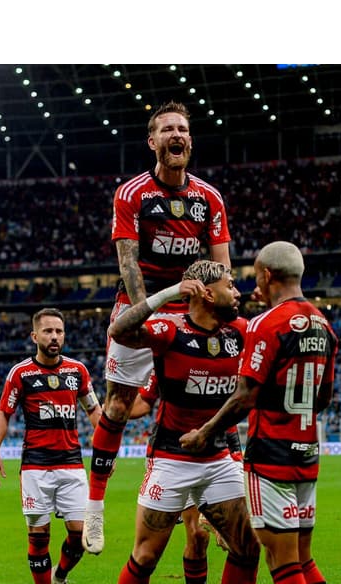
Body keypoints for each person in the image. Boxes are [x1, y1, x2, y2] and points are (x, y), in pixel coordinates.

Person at [181, 240, 341, 584]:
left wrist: (205, 433)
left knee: (281, 562)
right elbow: (325, 398)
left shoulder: (266, 325)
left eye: (252, 275)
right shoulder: (323, 325)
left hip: (271, 457)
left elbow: (244, 396)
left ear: (265, 275)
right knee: (304, 557)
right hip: (307, 456)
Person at [95, 260, 280, 584]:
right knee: (145, 556)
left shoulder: (240, 333)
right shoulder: (171, 330)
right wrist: (165, 295)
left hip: (218, 460)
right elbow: (119, 331)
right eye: (230, 286)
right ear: (205, 293)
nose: (238, 292)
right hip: (171, 460)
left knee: (248, 546)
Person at [82, 100, 232, 556]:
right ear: (153, 142)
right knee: (118, 405)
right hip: (142, 307)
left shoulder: (209, 199)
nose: (176, 135)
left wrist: (215, 310)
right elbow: (129, 267)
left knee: (211, 400)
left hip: (192, 311)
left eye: (183, 129)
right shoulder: (132, 194)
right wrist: (154, 308)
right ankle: (94, 506)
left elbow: (222, 267)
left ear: (190, 140)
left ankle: (222, 504)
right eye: (167, 129)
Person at [130, 375, 281, 584]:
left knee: (244, 538)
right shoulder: (174, 351)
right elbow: (143, 402)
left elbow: (236, 408)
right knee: (197, 535)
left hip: (221, 446)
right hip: (176, 453)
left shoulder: (228, 350)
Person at [0, 308, 102, 584]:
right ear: (34, 336)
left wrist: (107, 450)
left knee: (81, 537)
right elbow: (3, 414)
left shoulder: (78, 371)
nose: (55, 337)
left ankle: (60, 576)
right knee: (38, 536)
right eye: (49, 331)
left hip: (71, 465)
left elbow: (94, 411)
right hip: (36, 468)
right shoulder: (20, 374)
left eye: (59, 331)